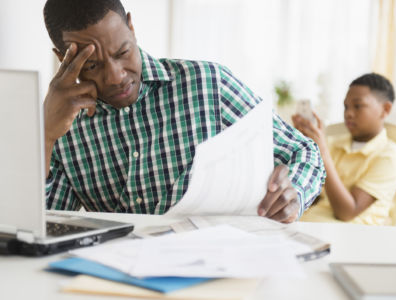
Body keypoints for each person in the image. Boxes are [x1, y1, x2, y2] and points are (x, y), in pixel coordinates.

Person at [43, 0, 325, 223]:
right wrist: (44, 137)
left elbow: (304, 151)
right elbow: (44, 222)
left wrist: (295, 193)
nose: (116, 77)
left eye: (123, 53)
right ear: (62, 58)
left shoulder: (208, 83)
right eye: (92, 66)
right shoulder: (62, 126)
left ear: (131, 26)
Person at [293, 73, 396, 225]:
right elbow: (309, 195)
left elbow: (347, 212)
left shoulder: (390, 156)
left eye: (358, 106)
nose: (348, 113)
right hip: (309, 223)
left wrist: (322, 152)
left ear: (385, 109)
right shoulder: (332, 144)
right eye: (346, 106)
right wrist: (302, 146)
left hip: (350, 235)